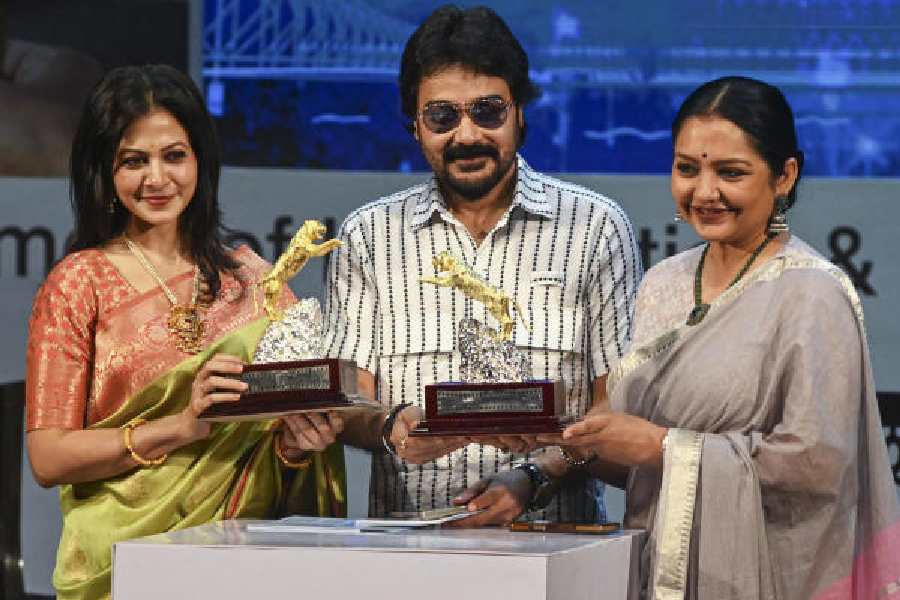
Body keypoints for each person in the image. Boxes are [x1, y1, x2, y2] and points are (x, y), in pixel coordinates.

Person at [548, 76, 900, 598]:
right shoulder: (663, 282)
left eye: (730, 173)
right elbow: (641, 463)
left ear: (785, 176)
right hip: (658, 566)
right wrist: (556, 441)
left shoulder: (812, 294)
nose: (704, 192)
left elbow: (817, 465)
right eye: (687, 168)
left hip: (768, 576)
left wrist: (665, 446)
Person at [25, 64, 345, 600]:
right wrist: (177, 427)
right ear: (105, 169)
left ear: (200, 160)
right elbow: (48, 457)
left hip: (242, 562)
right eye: (134, 161)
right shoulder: (79, 284)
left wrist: (295, 448)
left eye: (174, 155)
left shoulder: (251, 277)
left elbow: (278, 435)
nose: (157, 179)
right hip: (121, 565)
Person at [324, 5, 641, 525]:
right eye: (443, 117)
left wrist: (536, 474)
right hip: (409, 552)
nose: (466, 135)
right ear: (415, 128)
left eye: (488, 111)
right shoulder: (368, 235)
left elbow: (613, 411)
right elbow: (350, 402)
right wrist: (393, 426)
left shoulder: (596, 228)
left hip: (557, 548)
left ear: (520, 113)